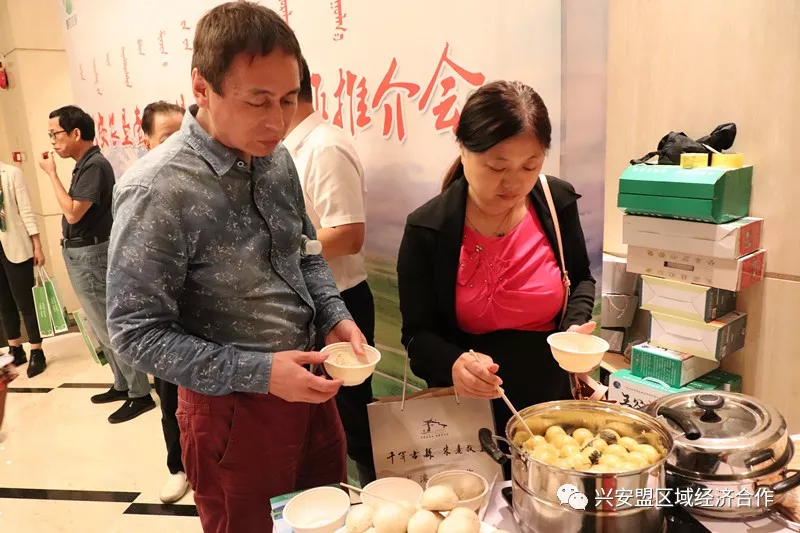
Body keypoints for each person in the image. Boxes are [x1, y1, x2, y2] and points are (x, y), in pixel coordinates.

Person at [106, 3, 366, 532]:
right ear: (202, 88)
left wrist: (334, 313)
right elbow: (133, 333)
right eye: (258, 101)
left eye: (289, 100)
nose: (277, 121)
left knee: (329, 517)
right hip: (231, 412)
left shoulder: (277, 159)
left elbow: (304, 251)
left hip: (309, 384)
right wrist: (261, 373)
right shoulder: (157, 189)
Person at [397, 81, 596, 461]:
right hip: (469, 413)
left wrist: (572, 330)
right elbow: (417, 336)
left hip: (551, 404)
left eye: (530, 165)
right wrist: (453, 363)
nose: (515, 182)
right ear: (463, 149)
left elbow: (581, 277)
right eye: (497, 166)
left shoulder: (556, 202)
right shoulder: (428, 228)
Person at [284, 57, 377, 486]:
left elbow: (349, 234)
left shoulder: (324, 147)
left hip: (341, 301)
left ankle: (374, 495)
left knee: (353, 418)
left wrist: (277, 250)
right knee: (321, 415)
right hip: (308, 303)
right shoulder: (286, 150)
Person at [38, 106, 155, 423]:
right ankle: (122, 384)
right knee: (100, 325)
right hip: (83, 253)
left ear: (75, 133)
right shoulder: (85, 165)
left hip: (92, 254)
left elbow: (73, 213)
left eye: (55, 134)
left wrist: (51, 174)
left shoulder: (94, 166)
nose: (52, 142)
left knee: (109, 325)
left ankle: (140, 393)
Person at [140, 100, 190, 504]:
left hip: (208, 320)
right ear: (147, 141)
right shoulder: (141, 191)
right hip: (167, 322)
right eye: (167, 136)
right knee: (171, 399)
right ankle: (178, 467)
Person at [0, 161, 47, 377]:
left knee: (26, 302)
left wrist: (37, 246)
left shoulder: (11, 173)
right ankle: (15, 349)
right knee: (3, 303)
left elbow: (26, 211)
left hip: (16, 246)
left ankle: (37, 350)